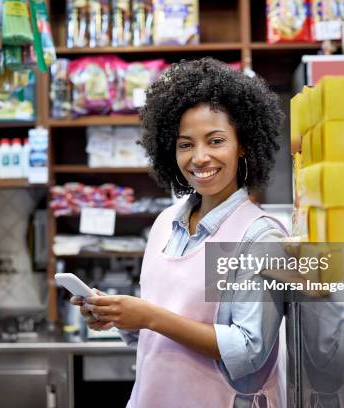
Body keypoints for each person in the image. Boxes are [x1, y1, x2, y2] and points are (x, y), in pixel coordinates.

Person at [71, 57, 287, 407]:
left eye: (215, 141)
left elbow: (249, 350)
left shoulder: (258, 237)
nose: (199, 157)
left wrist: (150, 316)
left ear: (243, 144)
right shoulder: (164, 225)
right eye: (186, 144)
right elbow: (155, 335)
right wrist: (118, 316)